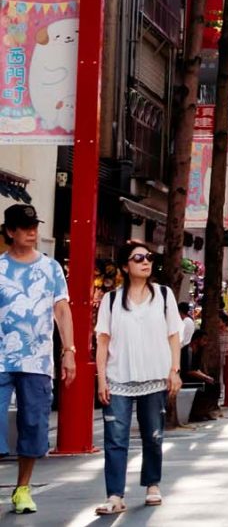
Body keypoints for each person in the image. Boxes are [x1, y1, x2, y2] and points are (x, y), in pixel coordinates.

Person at [94, 240, 183, 515]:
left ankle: (152, 485)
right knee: (115, 438)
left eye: (149, 257)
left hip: (154, 376)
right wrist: (101, 380)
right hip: (118, 377)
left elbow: (174, 336)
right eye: (138, 258)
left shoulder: (164, 295)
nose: (146, 262)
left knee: (153, 435)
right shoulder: (110, 301)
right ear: (125, 266)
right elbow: (103, 343)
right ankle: (114, 495)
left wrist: (174, 371)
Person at [0, 204, 75, 516]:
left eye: (34, 226)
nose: (32, 232)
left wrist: (69, 351)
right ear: (9, 232)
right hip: (1, 359)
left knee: (33, 425)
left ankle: (22, 489)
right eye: (24, 227)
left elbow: (61, 309)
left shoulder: (51, 268)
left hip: (37, 360)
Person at [178, 302, 195, 376]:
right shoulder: (189, 321)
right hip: (184, 347)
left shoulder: (185, 322)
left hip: (183, 348)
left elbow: (181, 338)